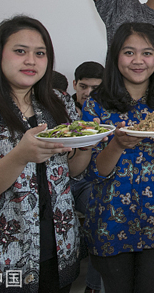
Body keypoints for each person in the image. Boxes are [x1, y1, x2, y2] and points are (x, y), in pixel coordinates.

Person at [0, 16, 94, 293]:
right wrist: (20, 155)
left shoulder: (58, 103)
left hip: (56, 248)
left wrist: (87, 143)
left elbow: (73, 171)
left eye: (40, 53)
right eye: (20, 51)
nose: (31, 61)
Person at [82, 22, 154, 293]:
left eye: (147, 53)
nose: (138, 61)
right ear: (115, 57)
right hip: (111, 220)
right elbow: (91, 171)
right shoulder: (96, 105)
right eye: (129, 52)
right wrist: (117, 145)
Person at [69, 60, 105, 293]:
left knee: (101, 212)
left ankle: (93, 286)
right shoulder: (59, 108)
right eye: (83, 86)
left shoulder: (105, 111)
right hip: (57, 180)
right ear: (74, 84)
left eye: (95, 88)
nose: (88, 93)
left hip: (87, 182)